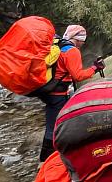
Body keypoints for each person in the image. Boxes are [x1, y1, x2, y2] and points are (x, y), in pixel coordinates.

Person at [38, 24, 105, 161]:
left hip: (48, 90)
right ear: (78, 38)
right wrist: (95, 68)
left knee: (55, 123)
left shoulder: (58, 45)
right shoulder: (72, 51)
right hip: (58, 94)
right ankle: (49, 159)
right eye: (83, 39)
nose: (83, 42)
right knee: (56, 126)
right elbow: (77, 76)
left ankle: (50, 156)